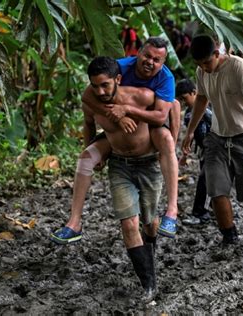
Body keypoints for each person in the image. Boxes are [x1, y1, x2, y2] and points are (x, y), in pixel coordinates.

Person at [51, 37, 180, 244]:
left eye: (157, 60)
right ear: (138, 53)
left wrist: (127, 110)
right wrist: (117, 117)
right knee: (86, 157)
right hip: (116, 136)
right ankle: (74, 222)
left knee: (166, 138)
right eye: (147, 55)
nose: (150, 62)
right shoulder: (117, 68)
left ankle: (172, 211)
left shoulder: (162, 81)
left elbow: (163, 115)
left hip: (148, 129)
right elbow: (87, 98)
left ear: (163, 63)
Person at [81, 56, 161, 302]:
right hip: (119, 165)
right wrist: (95, 152)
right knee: (128, 224)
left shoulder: (142, 97)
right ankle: (148, 284)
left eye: (105, 85)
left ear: (118, 79)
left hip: (148, 163)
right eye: (95, 86)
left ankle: (151, 244)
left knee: (149, 221)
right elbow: (88, 124)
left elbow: (165, 114)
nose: (100, 91)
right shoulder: (91, 101)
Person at [182, 35, 243, 246]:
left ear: (216, 54)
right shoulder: (202, 71)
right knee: (216, 190)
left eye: (207, 62)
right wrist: (190, 131)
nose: (204, 67)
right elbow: (201, 99)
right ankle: (229, 236)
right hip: (218, 138)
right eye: (199, 64)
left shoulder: (238, 67)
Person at [176, 79, 212, 225]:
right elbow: (190, 137)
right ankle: (208, 209)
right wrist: (185, 155)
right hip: (204, 150)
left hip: (215, 148)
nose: (183, 102)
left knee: (205, 180)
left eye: (185, 98)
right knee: (208, 180)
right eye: (180, 100)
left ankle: (200, 212)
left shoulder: (208, 108)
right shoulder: (188, 115)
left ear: (194, 93)